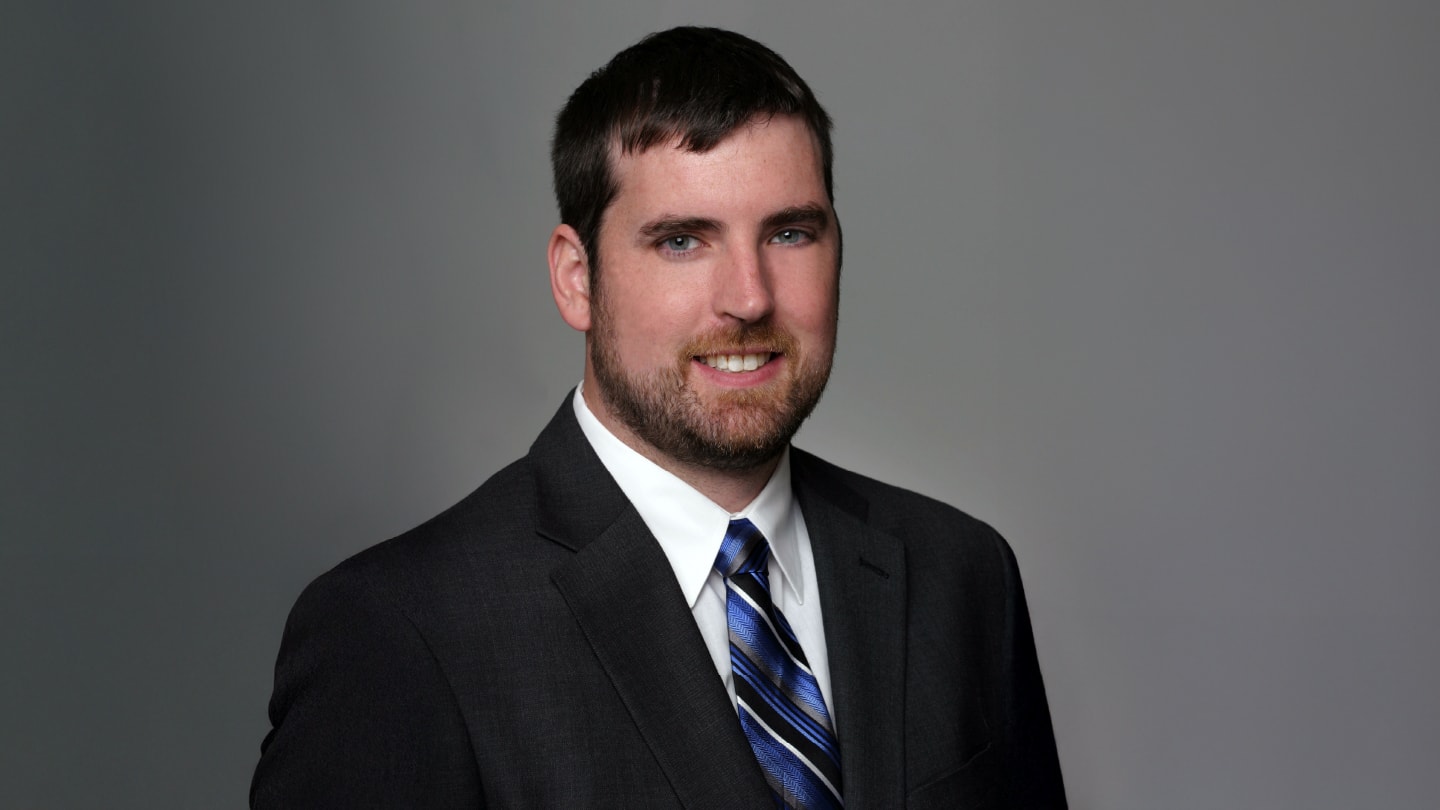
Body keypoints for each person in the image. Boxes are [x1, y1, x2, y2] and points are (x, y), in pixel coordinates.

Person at [251, 26, 1066, 809]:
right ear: (577, 279)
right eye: (682, 241)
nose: (748, 298)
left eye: (789, 233)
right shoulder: (400, 633)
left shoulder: (961, 576)